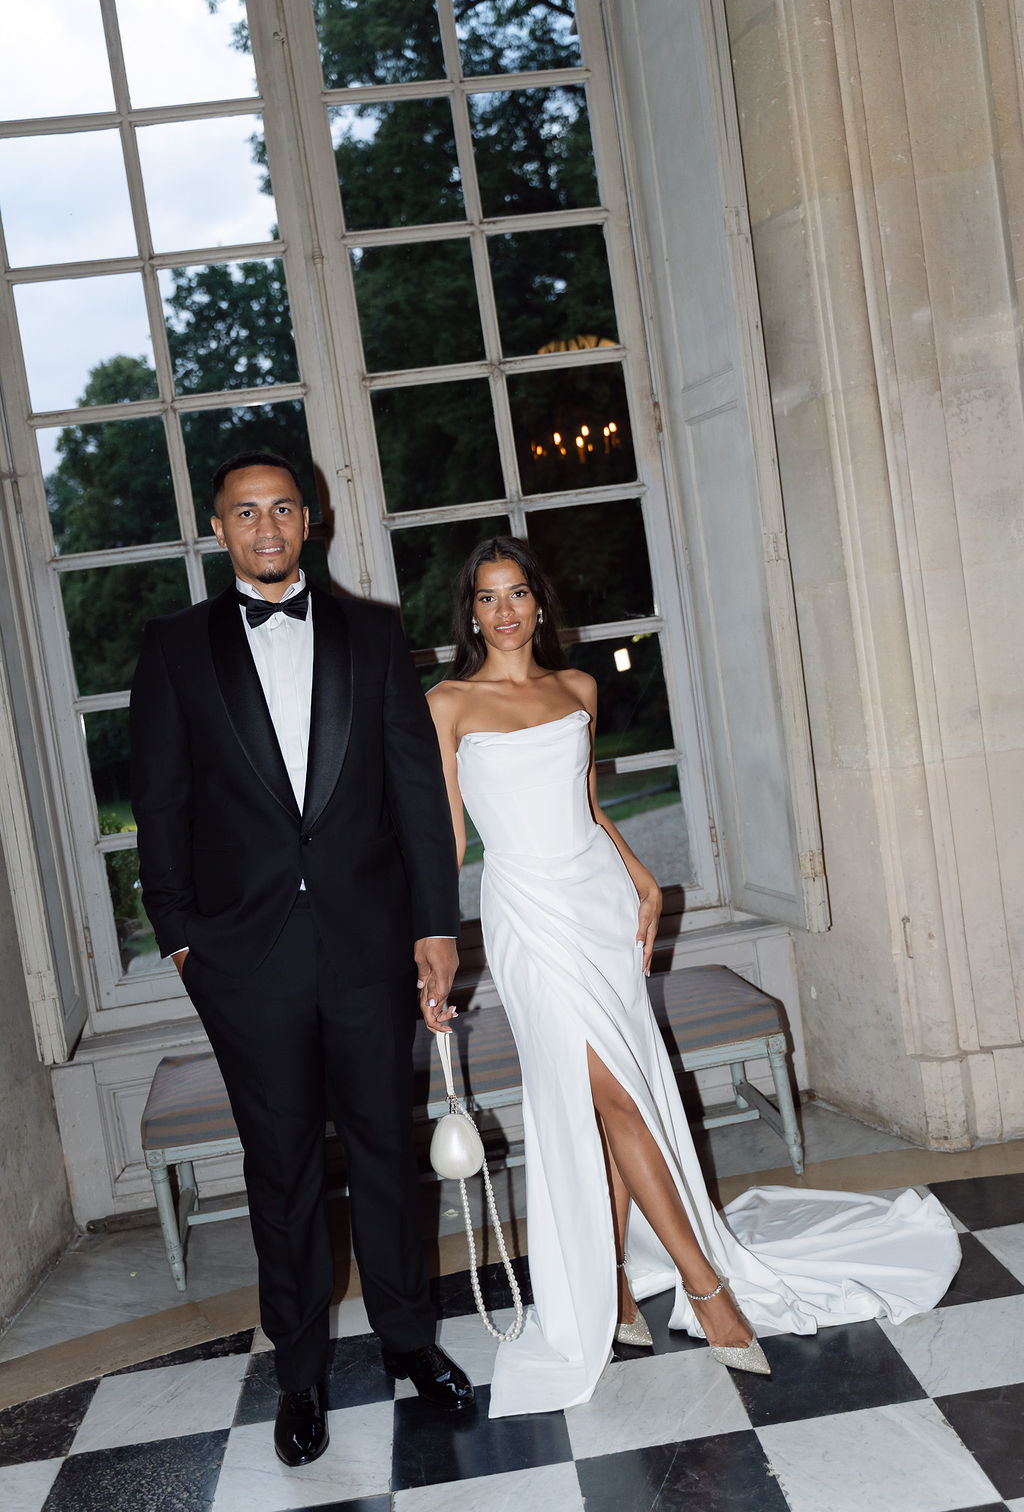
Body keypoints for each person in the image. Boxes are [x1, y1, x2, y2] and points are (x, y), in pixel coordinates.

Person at [426, 536, 960, 1419]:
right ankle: (708, 1291)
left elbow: (587, 807)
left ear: (538, 604)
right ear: (470, 612)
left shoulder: (579, 690)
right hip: (526, 915)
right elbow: (447, 840)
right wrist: (430, 941)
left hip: (597, 901)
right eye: (489, 598)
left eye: (519, 593)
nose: (507, 611)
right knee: (614, 1099)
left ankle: (623, 1296)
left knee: (614, 1102)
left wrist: (636, 871)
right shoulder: (446, 703)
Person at [130, 450, 473, 1468]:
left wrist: (436, 925)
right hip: (244, 958)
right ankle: (301, 1375)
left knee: (383, 1149)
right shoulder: (175, 648)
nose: (267, 527)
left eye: (283, 508)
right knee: (278, 1169)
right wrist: (186, 940)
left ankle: (411, 1342)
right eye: (247, 512)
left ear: (311, 518)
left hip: (369, 946)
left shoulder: (371, 633)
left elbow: (416, 793)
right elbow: (160, 810)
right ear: (219, 527)